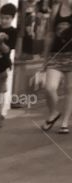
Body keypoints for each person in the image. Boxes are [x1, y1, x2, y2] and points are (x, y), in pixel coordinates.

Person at [40, 0, 72, 132]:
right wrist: (45, 58)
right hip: (56, 54)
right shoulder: (56, 9)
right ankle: (53, 112)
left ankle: (65, 122)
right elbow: (50, 34)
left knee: (70, 89)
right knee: (49, 87)